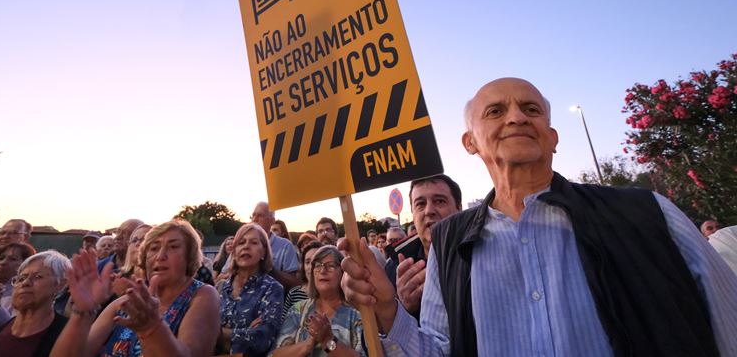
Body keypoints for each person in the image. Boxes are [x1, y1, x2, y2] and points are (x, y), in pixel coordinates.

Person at [340, 77, 737, 356]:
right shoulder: (449, 244)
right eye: (496, 111)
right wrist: (389, 310)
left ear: (551, 135)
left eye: (530, 109)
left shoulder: (649, 214)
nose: (516, 118)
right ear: (470, 142)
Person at [50, 219, 220, 357]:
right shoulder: (125, 302)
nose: (160, 256)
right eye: (153, 248)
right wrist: (82, 313)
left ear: (189, 257)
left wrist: (150, 328)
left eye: (173, 247)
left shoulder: (202, 295)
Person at [0, 250, 72, 357]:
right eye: (21, 278)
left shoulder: (69, 335)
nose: (25, 283)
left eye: (38, 276)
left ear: (60, 285)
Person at [384, 174, 462, 317]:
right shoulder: (394, 266)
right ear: (413, 214)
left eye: (440, 201)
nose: (429, 211)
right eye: (420, 204)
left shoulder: (482, 254)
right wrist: (402, 308)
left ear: (459, 209)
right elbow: (385, 331)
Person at [271, 245, 366, 357]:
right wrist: (308, 344)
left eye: (330, 266)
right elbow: (277, 354)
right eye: (317, 266)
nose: (322, 271)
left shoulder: (358, 313)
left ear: (343, 272)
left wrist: (328, 340)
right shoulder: (298, 309)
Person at [217, 223, 284, 356]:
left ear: (264, 251)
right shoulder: (219, 288)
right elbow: (201, 332)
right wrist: (246, 331)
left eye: (254, 242)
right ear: (234, 252)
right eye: (241, 243)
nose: (246, 246)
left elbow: (262, 339)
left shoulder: (272, 288)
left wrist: (219, 332)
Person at [251, 202, 301, 289]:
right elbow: (223, 274)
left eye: (260, 215)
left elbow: (295, 282)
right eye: (253, 215)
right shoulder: (242, 244)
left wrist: (270, 268)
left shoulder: (285, 246)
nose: (254, 219)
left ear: (272, 221)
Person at [283, 240, 323, 317]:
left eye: (316, 261)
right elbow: (283, 324)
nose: (311, 266)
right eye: (307, 262)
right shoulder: (294, 294)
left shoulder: (333, 294)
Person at [112, 224, 152, 297]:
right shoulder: (116, 277)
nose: (138, 243)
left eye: (144, 239)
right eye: (134, 240)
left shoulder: (160, 279)